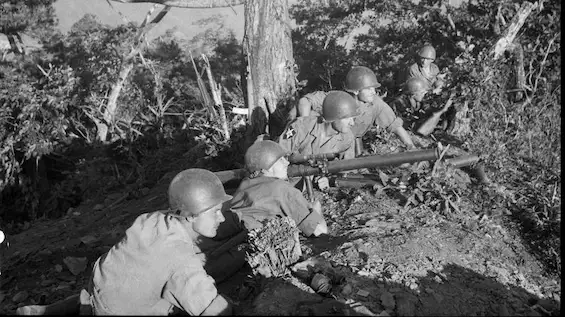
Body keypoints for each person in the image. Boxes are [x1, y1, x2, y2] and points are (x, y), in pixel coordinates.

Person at [17, 169, 235, 316]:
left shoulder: (151, 219)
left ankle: (48, 311)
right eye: (215, 212)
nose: (222, 218)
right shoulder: (181, 261)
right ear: (190, 214)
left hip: (100, 289)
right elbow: (210, 308)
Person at [294, 66, 417, 155]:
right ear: (356, 91)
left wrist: (411, 147)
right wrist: (305, 126)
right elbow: (304, 101)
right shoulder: (338, 99)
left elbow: (394, 125)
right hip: (326, 140)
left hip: (351, 142)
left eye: (373, 89)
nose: (373, 92)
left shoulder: (375, 103)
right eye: (369, 89)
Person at [228, 140, 328, 237]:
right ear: (268, 166)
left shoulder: (244, 185)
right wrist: (317, 210)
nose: (287, 163)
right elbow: (320, 231)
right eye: (280, 160)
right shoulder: (282, 189)